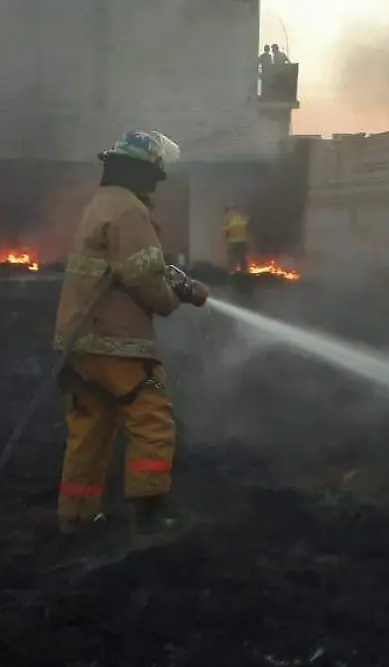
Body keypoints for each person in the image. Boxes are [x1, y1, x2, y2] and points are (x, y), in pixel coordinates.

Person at [52, 130, 210, 537]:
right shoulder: (129, 211)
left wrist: (174, 282)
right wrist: (172, 299)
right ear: (145, 173)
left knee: (90, 429)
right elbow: (143, 274)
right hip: (119, 342)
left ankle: (77, 516)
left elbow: (123, 267)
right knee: (152, 425)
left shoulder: (100, 205)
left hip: (80, 341)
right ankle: (149, 520)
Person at [222, 202, 249, 272]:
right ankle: (244, 275)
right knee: (242, 260)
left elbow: (225, 230)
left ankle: (233, 275)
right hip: (242, 241)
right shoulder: (241, 216)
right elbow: (246, 225)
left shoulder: (228, 216)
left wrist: (226, 238)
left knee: (232, 261)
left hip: (233, 242)